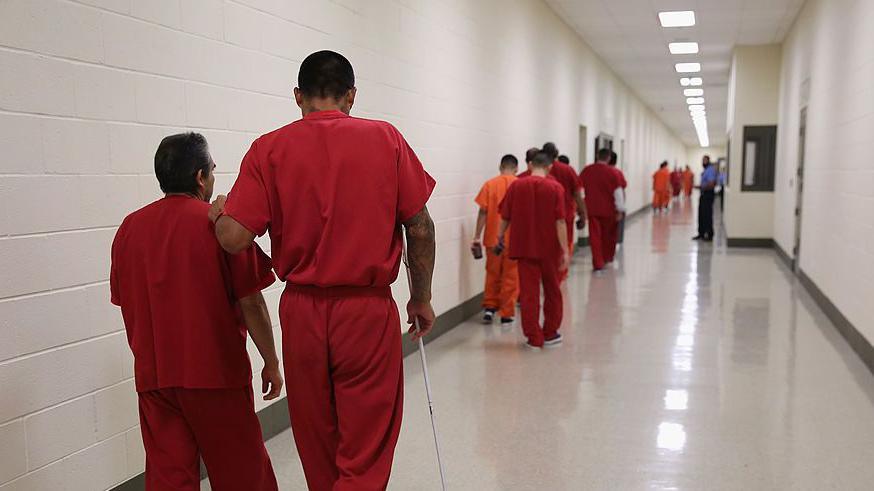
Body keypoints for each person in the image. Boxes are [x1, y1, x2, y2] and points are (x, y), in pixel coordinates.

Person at [209, 51, 437, 490]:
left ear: (298, 96)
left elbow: (234, 238)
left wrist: (219, 213)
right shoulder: (386, 139)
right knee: (365, 448)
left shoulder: (269, 148)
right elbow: (421, 227)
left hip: (302, 313)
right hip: (366, 313)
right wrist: (421, 296)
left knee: (317, 441)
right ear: (351, 96)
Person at [110, 133, 281, 490]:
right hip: (215, 377)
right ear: (200, 178)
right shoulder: (219, 226)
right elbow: (252, 302)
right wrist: (271, 361)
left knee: (169, 479)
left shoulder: (129, 230)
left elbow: (128, 301)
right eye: (213, 171)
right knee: (242, 474)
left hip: (155, 379)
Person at [497, 152, 568, 350]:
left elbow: (505, 216)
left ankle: (534, 338)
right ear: (549, 167)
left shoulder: (517, 186)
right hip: (550, 250)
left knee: (529, 294)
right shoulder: (555, 188)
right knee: (553, 291)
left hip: (524, 249)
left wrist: (499, 237)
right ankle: (550, 333)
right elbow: (560, 221)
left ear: (530, 166)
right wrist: (565, 250)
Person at [472, 154, 519, 324]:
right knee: (511, 277)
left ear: (500, 167)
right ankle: (507, 313)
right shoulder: (519, 185)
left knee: (492, 274)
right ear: (516, 169)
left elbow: (483, 212)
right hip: (514, 241)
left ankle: (490, 309)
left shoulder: (490, 185)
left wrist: (477, 236)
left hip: (492, 238)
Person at [580, 148, 626, 272]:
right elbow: (618, 193)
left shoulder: (587, 171)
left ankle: (597, 263)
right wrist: (620, 210)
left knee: (595, 237)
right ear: (609, 158)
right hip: (609, 211)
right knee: (608, 236)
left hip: (592, 209)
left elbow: (580, 190)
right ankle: (607, 258)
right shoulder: (613, 173)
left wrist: (582, 208)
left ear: (597, 156)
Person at [542, 142, 585, 270]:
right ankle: (560, 274)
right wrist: (583, 214)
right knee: (565, 245)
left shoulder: (539, 170)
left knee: (546, 247)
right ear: (557, 154)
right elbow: (577, 194)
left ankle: (548, 273)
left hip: (543, 218)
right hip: (565, 216)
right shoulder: (567, 170)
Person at [693, 155, 718, 241]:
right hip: (703, 194)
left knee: (707, 215)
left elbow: (711, 184)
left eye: (705, 160)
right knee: (701, 215)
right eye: (702, 160)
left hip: (708, 194)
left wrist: (700, 187)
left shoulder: (710, 170)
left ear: (708, 161)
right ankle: (701, 233)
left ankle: (709, 235)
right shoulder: (706, 170)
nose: (703, 162)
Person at [607, 151, 627, 247]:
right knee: (616, 225)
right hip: (616, 204)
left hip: (603, 204)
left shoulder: (600, 171)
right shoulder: (617, 172)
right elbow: (623, 185)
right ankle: (616, 241)